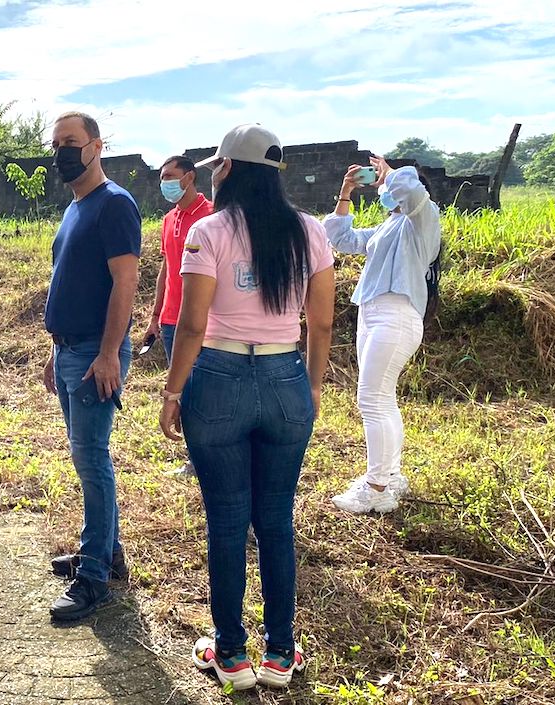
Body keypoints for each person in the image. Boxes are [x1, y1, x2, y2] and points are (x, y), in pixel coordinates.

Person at [159, 124, 334, 691]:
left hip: (220, 376)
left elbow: (191, 323)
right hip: (285, 373)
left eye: (217, 165)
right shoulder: (309, 231)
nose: (214, 171)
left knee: (228, 519)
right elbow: (323, 321)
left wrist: (172, 390)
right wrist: (309, 386)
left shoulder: (208, 232)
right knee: (276, 518)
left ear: (228, 169)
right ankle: (281, 654)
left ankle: (231, 655)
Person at [42, 111, 142, 621]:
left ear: (97, 147)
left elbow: (125, 284)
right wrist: (54, 349)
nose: (61, 150)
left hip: (92, 353)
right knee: (87, 457)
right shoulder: (75, 207)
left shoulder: (114, 205)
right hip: (69, 349)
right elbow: (69, 280)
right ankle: (108, 552)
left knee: (91, 459)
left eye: (71, 142)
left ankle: (94, 577)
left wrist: (108, 352)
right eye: (56, 142)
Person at [325, 157, 442, 514]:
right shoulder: (386, 228)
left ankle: (376, 488)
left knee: (371, 399)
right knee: (381, 398)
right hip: (373, 313)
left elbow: (408, 190)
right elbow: (340, 237)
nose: (381, 189)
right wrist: (346, 192)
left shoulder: (423, 218)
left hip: (396, 315)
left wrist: (391, 173)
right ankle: (389, 475)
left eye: (384, 184)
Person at [144, 154, 213, 477]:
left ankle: (210, 456)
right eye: (162, 177)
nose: (165, 183)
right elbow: (166, 268)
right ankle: (195, 458)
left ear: (190, 177)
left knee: (204, 390)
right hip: (171, 320)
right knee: (181, 388)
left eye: (170, 176)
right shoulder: (169, 219)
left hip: (203, 320)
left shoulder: (211, 215)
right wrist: (155, 315)